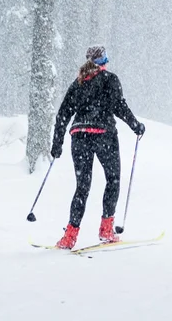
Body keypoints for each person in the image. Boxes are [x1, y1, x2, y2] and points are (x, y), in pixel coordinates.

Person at [50, 46, 145, 249]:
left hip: (79, 135)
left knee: (82, 187)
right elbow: (119, 106)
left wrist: (57, 144)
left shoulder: (77, 84)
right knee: (113, 179)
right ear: (104, 61)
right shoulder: (110, 79)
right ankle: (106, 229)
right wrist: (135, 125)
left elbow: (63, 114)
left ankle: (70, 236)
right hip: (104, 134)